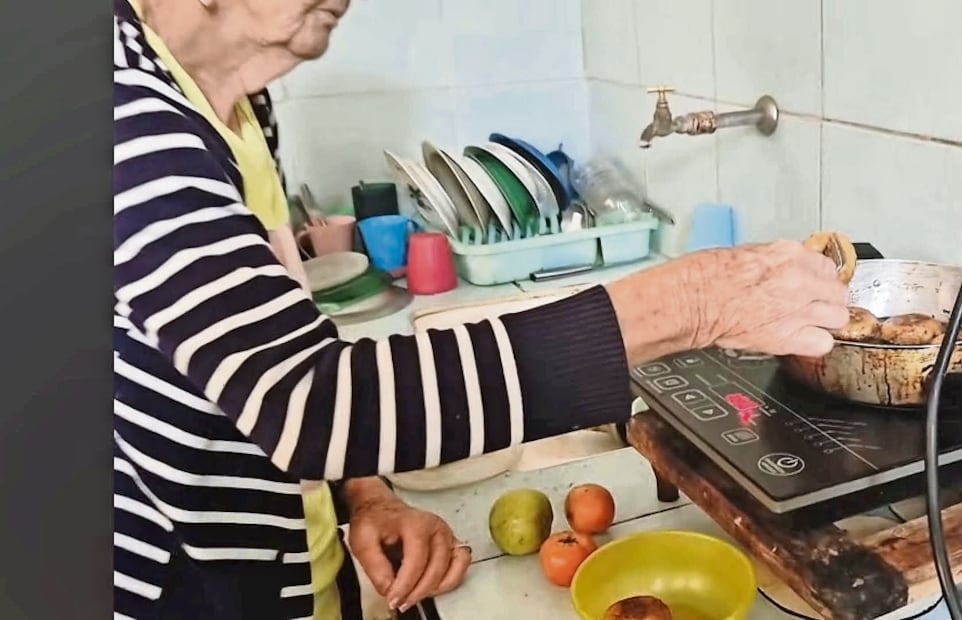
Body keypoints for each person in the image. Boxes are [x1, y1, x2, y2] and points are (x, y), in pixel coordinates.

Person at [111, 1, 850, 619]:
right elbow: (307, 402)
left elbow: (268, 352)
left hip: (294, 561)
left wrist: (365, 491)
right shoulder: (119, 111)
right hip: (186, 585)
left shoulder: (237, 105)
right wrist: (690, 302)